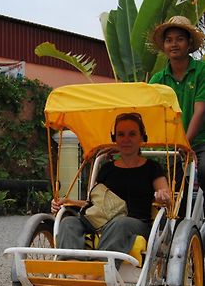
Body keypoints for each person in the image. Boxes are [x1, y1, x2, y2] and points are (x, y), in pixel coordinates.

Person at [51, 113, 170, 267]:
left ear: (142, 137)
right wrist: (66, 202)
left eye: (132, 134)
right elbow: (93, 203)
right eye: (121, 134)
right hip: (101, 220)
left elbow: (166, 194)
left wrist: (162, 197)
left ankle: (97, 274)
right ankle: (76, 273)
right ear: (115, 139)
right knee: (68, 223)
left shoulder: (152, 168)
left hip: (136, 223)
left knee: (119, 223)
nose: (126, 139)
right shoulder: (107, 169)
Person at [148, 16, 205, 193]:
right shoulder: (158, 80)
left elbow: (200, 110)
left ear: (189, 44)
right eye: (169, 40)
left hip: (199, 142)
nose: (174, 44)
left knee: (204, 171)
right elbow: (146, 114)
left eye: (179, 39)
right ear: (164, 46)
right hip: (170, 147)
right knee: (171, 187)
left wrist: (185, 144)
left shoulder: (201, 71)